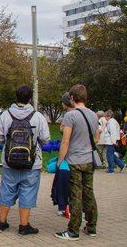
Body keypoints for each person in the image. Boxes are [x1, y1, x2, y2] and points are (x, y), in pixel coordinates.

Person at [0, 86, 50, 235]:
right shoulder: (38, 117)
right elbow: (45, 139)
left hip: (9, 162)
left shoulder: (6, 115)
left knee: (6, 190)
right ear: (30, 99)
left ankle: (2, 222)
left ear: (16, 97)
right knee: (28, 191)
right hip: (32, 163)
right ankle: (24, 226)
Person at [54, 85, 100, 241]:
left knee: (75, 195)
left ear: (72, 98)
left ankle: (73, 230)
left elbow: (65, 141)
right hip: (89, 160)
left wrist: (60, 161)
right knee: (89, 193)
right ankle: (92, 226)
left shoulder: (71, 116)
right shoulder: (94, 115)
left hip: (74, 161)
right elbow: (96, 138)